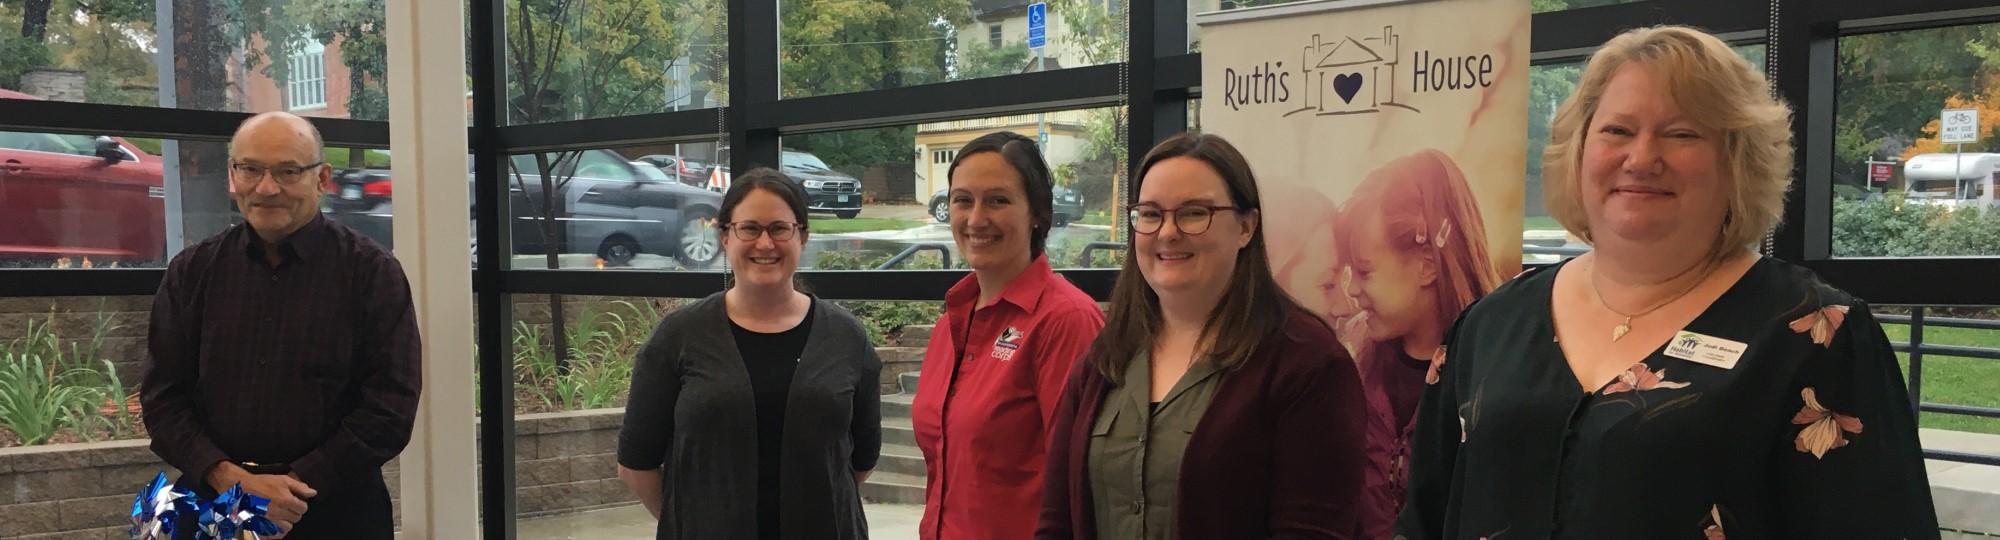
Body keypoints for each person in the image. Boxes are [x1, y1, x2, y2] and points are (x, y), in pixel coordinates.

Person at [1397, 26, 1939, 539]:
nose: (1642, 157)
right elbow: (1426, 516)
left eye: (1681, 134)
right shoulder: (1490, 324)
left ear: (1737, 162)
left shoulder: (1816, 335)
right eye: (1617, 131)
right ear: (1579, 150)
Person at [1038, 132, 1367, 540]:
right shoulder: (1106, 358)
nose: (1168, 232)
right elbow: (1057, 524)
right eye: (1151, 213)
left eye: (1194, 213)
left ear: (1247, 227)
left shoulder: (1309, 364)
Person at [141, 111, 421, 540]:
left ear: (322, 178)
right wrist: (232, 483)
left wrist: (289, 491)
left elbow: (390, 407)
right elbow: (163, 399)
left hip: (337, 511)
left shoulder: (370, 273)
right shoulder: (192, 272)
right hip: (213, 506)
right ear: (233, 174)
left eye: (288, 171)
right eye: (250, 169)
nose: (266, 188)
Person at [616, 169, 882, 540]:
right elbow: (636, 464)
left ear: (802, 236)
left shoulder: (846, 337)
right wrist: (691, 521)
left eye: (779, 228)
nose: (765, 243)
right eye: (749, 228)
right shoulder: (678, 336)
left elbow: (861, 459)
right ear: (725, 236)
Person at [913, 131, 1105, 540]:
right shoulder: (952, 321)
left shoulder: (1065, 321)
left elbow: (1081, 484)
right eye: (962, 200)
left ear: (1037, 212)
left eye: (998, 200)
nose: (976, 219)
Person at [1333, 149, 1500, 538]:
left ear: (1427, 264)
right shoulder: (1350, 357)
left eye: (1364, 271)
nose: (1352, 290)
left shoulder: (1497, 363)